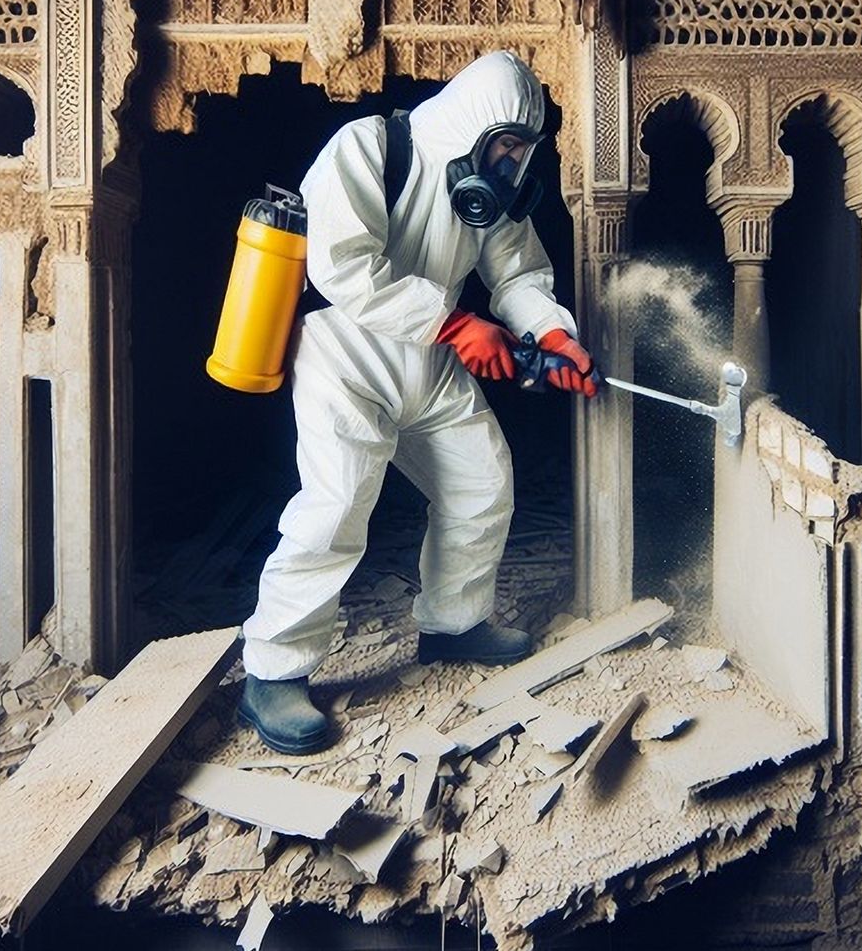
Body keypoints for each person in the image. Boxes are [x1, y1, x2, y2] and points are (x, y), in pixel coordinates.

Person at [239, 50, 598, 754]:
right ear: (470, 123)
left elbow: (518, 272)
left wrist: (552, 333)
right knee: (337, 504)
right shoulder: (370, 147)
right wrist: (457, 324)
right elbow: (341, 263)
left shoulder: (488, 191)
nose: (513, 162)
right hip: (346, 352)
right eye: (506, 144)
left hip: (429, 361)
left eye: (523, 149)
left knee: (482, 481)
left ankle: (454, 624)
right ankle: (273, 671)